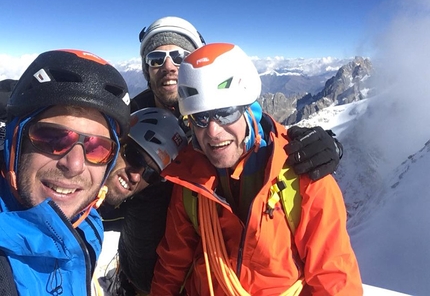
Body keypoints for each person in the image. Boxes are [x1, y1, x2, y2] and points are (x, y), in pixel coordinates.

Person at [102, 16, 344, 295]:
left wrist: (328, 145)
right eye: (156, 58)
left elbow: (332, 275)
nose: (168, 66)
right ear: (146, 68)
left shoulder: (251, 145)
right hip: (140, 274)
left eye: (179, 56)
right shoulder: (125, 123)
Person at [151, 43, 362, 295]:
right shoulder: (190, 178)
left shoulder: (303, 173)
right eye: (200, 117)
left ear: (249, 110)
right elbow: (173, 263)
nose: (213, 131)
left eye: (225, 113)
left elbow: (333, 278)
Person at [0, 49, 130, 295]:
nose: (75, 165)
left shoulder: (85, 223)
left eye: (97, 148)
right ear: (15, 142)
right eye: (52, 137)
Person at [100, 107, 187, 294]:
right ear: (117, 142)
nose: (136, 176)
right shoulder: (68, 189)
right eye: (135, 157)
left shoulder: (150, 202)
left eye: (150, 174)